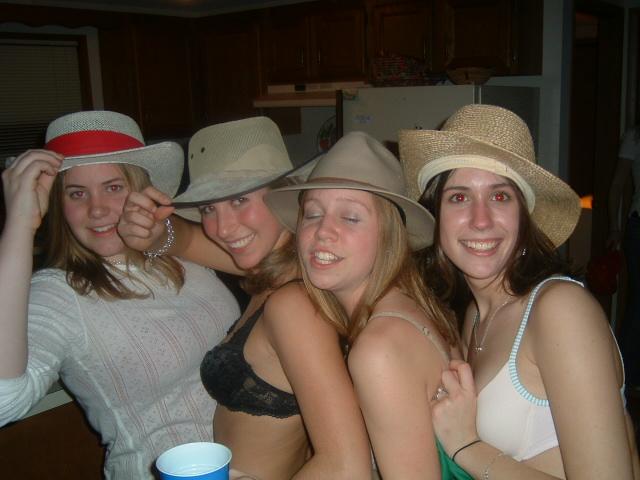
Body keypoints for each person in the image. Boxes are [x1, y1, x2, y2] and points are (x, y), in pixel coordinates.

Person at [117, 117, 371, 480]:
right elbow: (186, 241)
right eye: (209, 208)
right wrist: (154, 233)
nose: (223, 228)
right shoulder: (275, 272)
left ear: (285, 196)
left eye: (239, 200)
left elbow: (346, 467)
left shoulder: (292, 304)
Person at [399, 104, 640, 479]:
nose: (480, 221)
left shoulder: (560, 309)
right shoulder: (474, 316)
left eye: (500, 197)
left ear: (523, 216)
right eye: (459, 197)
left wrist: (467, 447)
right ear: (437, 216)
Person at [0, 111, 241, 479]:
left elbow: (264, 266)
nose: (96, 209)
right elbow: (4, 402)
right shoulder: (58, 292)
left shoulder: (176, 252)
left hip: (252, 463)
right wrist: (19, 224)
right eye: (77, 193)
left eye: (113, 187)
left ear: (141, 188)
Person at [264, 131, 465, 479]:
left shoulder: (378, 349)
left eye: (350, 217)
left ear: (389, 235)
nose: (323, 231)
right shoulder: (411, 306)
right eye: (312, 214)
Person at [608, 121, 640, 391]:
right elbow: (617, 185)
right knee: (638, 304)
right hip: (638, 225)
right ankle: (626, 381)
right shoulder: (635, 135)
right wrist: (614, 227)